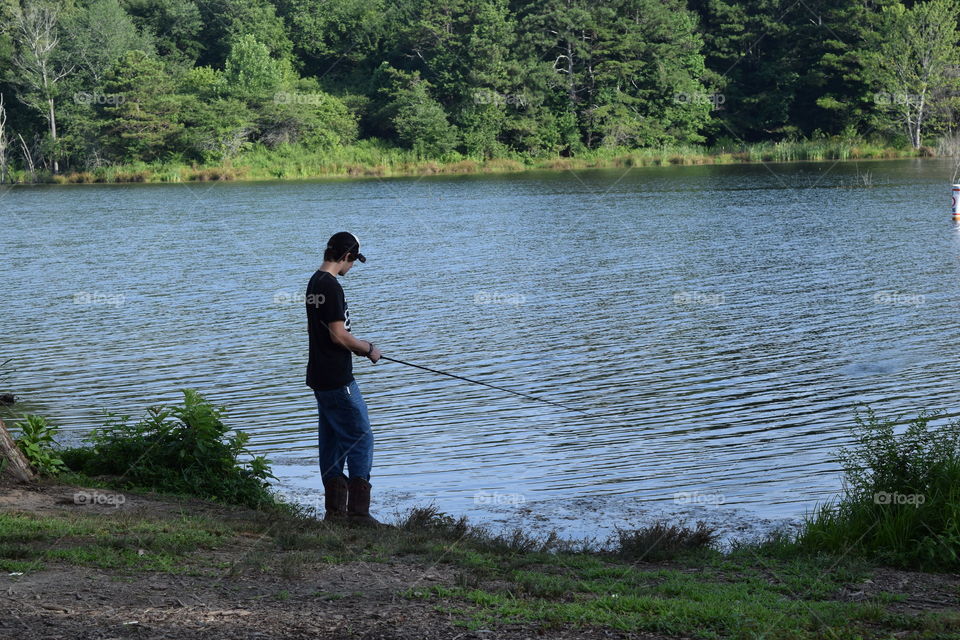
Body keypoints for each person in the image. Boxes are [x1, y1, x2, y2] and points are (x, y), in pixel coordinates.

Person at [305, 231, 385, 527]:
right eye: (353, 262)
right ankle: (359, 515)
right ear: (345, 257)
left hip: (319, 376)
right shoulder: (332, 286)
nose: (351, 268)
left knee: (333, 441)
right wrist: (369, 349)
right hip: (338, 379)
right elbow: (339, 335)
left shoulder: (314, 282)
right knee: (361, 438)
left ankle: (335, 514)